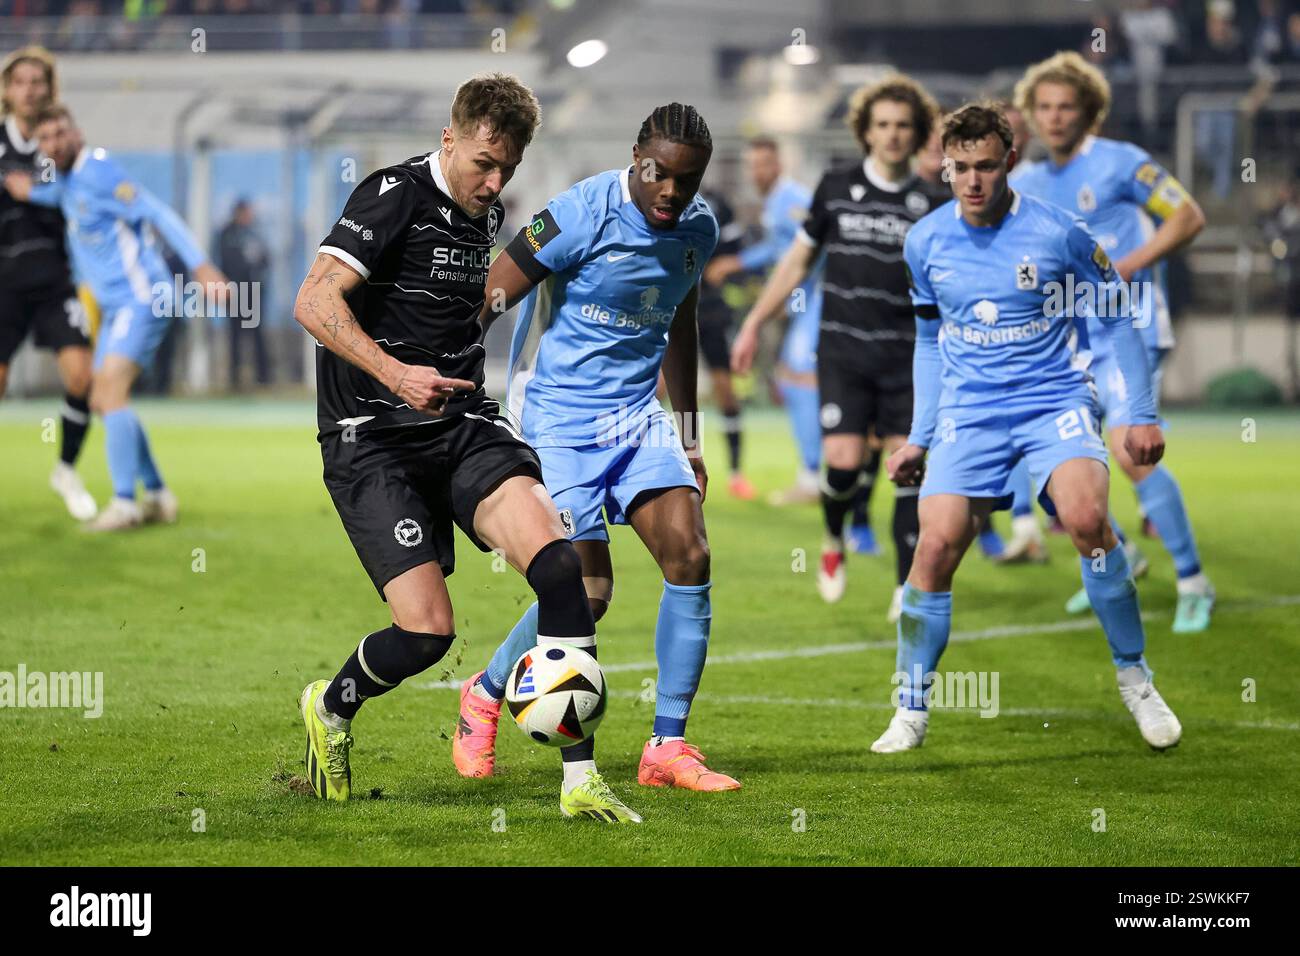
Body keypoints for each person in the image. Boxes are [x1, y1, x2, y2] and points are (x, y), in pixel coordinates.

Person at [291, 74, 633, 823]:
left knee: (561, 564)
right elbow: (313, 300)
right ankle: (332, 707)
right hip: (371, 439)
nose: (494, 180)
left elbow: (464, 311)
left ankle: (580, 779)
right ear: (451, 137)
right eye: (483, 162)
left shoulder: (489, 214)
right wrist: (395, 373)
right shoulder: (392, 194)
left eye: (507, 167)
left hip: (461, 425)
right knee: (427, 634)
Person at [453, 103, 740, 811]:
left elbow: (681, 320)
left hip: (637, 421)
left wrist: (692, 436)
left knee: (691, 556)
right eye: (659, 174)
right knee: (588, 595)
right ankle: (485, 693)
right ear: (635, 153)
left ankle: (666, 747)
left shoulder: (697, 228)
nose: (671, 192)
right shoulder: (581, 211)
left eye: (688, 179)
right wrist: (443, 381)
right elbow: (492, 292)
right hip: (554, 420)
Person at [873, 103, 1181, 755]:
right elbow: (930, 342)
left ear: (1011, 161)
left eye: (987, 166)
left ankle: (1136, 678)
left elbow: (1118, 317)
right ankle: (910, 709)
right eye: (961, 169)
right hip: (969, 412)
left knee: (1089, 523)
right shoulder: (923, 242)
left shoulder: (1060, 232)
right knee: (934, 548)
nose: (974, 181)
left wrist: (1143, 412)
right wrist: (920, 435)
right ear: (945, 168)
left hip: (1054, 401)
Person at [731, 75, 946, 620]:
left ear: (917, 133)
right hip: (844, 351)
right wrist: (757, 319)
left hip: (907, 355)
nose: (893, 136)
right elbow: (797, 261)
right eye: (883, 126)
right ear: (865, 132)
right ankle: (833, 539)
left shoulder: (935, 202)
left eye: (903, 126)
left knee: (906, 470)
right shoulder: (835, 187)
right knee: (843, 463)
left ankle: (905, 585)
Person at [1012, 51, 1214, 632]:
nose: (1053, 118)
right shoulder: (1024, 181)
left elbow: (1188, 217)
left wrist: (1125, 265)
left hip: (1131, 327)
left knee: (1132, 451)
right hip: (1063, 343)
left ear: (1089, 111)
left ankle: (1194, 579)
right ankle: (1120, 554)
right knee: (1047, 464)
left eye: (1065, 107)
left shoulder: (1122, 162)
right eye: (1043, 107)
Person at [4, 102, 227, 531]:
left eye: (59, 134)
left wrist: (202, 268)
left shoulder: (100, 171)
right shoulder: (67, 181)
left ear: (77, 134)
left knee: (109, 392)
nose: (52, 144)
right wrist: (25, 190)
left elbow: (157, 213)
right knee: (104, 400)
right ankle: (158, 495)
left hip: (143, 298)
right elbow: (53, 194)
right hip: (117, 308)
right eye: (45, 138)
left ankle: (125, 504)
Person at [0, 47, 95, 521]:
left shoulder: (59, 142)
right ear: (6, 89)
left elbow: (84, 196)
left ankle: (65, 470)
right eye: (20, 81)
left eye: (38, 81)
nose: (30, 89)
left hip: (57, 280)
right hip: (5, 284)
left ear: (49, 89)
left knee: (82, 377)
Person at [706, 137, 823, 506]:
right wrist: (738, 264)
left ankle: (813, 476)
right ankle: (818, 474)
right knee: (795, 380)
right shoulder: (774, 205)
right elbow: (778, 248)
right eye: (753, 166)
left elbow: (816, 245)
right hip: (804, 300)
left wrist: (793, 292)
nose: (758, 172)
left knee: (797, 379)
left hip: (819, 298)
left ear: (779, 164)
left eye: (765, 164)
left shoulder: (793, 201)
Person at [695, 186, 755, 498]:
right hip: (672, 309)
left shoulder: (718, 201)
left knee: (726, 393)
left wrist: (726, 271)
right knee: (662, 391)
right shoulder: (660, 196)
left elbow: (737, 254)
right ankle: (680, 464)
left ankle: (735, 473)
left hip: (712, 311)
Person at [217, 198, 270, 389]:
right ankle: (235, 379)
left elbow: (265, 260)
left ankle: (263, 378)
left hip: (254, 293)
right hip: (235, 292)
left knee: (257, 335)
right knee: (235, 335)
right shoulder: (227, 234)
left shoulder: (254, 234)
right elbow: (227, 262)